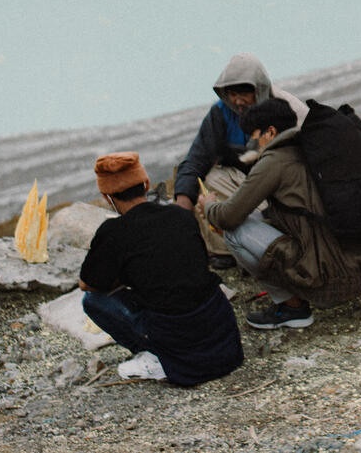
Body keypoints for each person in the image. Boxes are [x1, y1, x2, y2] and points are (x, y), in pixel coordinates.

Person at [201, 96, 361, 329]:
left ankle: (292, 308)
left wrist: (208, 205)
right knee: (266, 217)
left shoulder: (275, 161)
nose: (255, 146)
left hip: (332, 280)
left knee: (235, 230)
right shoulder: (314, 147)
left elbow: (228, 216)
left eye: (255, 137)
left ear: (270, 132)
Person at [79, 152, 244, 384]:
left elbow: (88, 284)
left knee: (92, 301)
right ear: (146, 184)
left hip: (174, 334)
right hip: (219, 328)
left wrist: (123, 275)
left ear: (107, 197)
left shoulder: (113, 232)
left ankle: (154, 356)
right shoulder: (180, 215)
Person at [172, 53, 277, 267]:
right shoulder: (221, 113)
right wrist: (183, 197)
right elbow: (197, 157)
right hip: (242, 189)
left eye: (244, 94)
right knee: (210, 178)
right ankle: (225, 251)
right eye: (232, 94)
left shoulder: (279, 110)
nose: (238, 101)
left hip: (274, 188)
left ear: (260, 89)